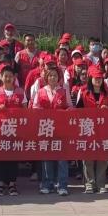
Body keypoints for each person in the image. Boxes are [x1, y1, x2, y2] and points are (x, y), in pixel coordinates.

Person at [31, 65, 72, 196]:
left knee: (62, 158)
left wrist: (66, 111)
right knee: (47, 157)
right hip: (46, 128)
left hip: (61, 128)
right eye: (50, 75)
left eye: (55, 75)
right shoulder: (41, 91)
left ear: (59, 77)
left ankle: (62, 185)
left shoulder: (63, 91)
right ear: (46, 78)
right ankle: (47, 184)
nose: (53, 78)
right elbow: (35, 108)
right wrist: (41, 112)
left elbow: (70, 106)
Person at [0, 65, 26, 196]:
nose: (8, 78)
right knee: (0, 158)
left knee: (13, 158)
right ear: (1, 77)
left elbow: (26, 110)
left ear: (14, 77)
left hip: (15, 130)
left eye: (10, 76)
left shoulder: (20, 91)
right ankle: (0, 184)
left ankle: (12, 184)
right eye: (5, 76)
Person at [78, 65, 108, 193]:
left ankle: (101, 184)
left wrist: (107, 110)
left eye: (100, 78)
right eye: (96, 78)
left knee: (102, 157)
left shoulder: (107, 94)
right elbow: (78, 111)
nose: (98, 80)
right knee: (88, 157)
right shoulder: (84, 94)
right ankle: (89, 183)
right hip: (88, 129)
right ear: (91, 79)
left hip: (103, 129)